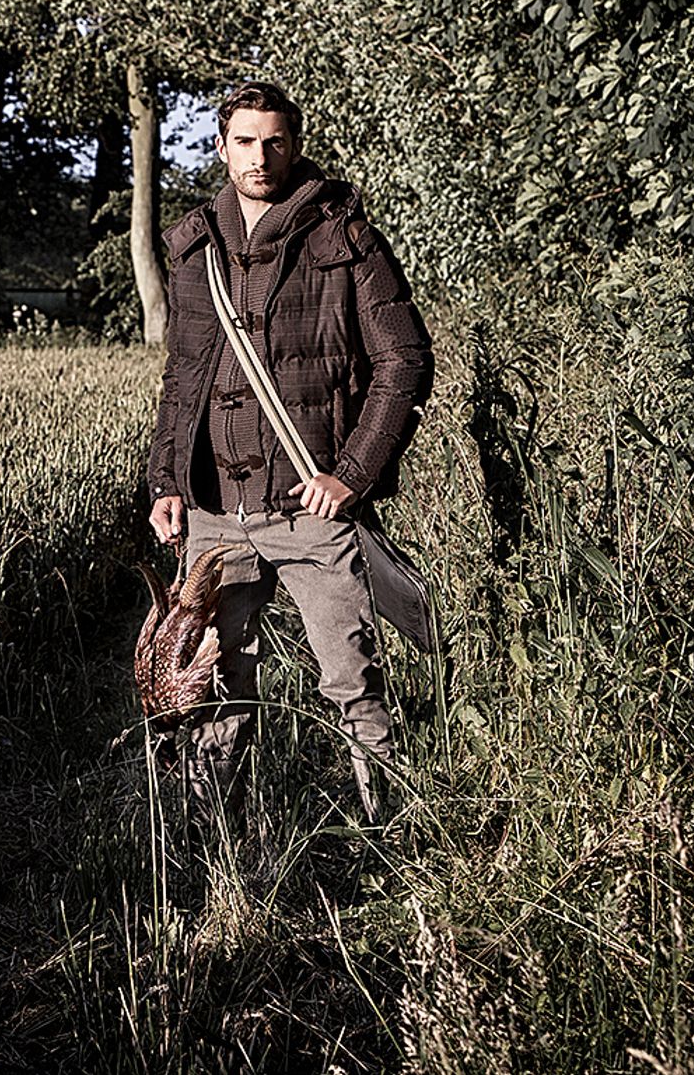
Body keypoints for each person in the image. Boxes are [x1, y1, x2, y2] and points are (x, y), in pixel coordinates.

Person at [145, 81, 433, 828]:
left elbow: (403, 360)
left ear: (295, 144)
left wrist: (352, 474)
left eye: (275, 140)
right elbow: (184, 375)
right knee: (210, 685)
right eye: (244, 141)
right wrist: (168, 482)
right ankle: (212, 850)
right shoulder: (194, 247)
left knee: (352, 680)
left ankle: (388, 836)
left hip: (309, 509)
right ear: (220, 146)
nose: (260, 156)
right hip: (212, 514)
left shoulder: (345, 239)